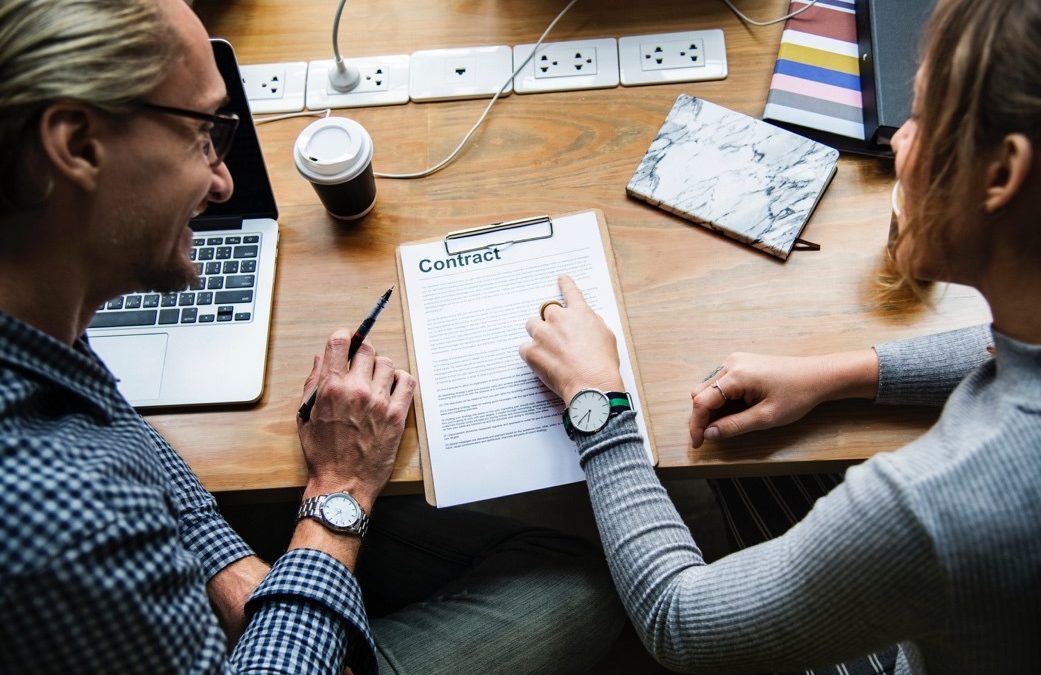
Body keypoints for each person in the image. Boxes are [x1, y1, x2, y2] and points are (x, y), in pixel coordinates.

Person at [0, 0, 622, 672]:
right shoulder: (58, 517)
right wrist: (339, 491)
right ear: (75, 144)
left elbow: (117, 437)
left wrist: (235, 572)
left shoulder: (35, 312)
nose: (222, 179)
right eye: (201, 134)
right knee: (588, 580)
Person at [519, 0, 1041, 672]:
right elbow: (1010, 352)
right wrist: (839, 375)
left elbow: (680, 620)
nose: (897, 143)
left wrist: (598, 403)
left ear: (1001, 174)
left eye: (923, 118)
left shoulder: (929, 506)